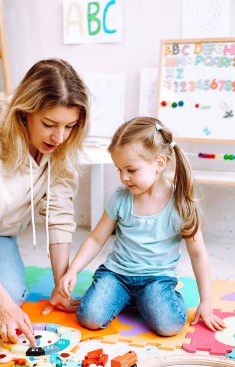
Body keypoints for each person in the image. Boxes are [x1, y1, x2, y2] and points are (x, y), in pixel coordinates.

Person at [61, 116, 225, 336]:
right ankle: (129, 298)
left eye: (131, 169)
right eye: (119, 169)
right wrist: (73, 270)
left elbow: (198, 254)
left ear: (159, 164)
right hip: (117, 275)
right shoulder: (121, 198)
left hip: (157, 279)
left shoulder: (181, 203)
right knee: (89, 317)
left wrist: (206, 301)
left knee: (170, 326)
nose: (123, 177)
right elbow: (96, 238)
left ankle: (156, 297)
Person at [0, 58, 89, 345]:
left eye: (69, 126)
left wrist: (60, 286)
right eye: (49, 124)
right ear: (24, 113)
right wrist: (4, 306)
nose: (59, 137)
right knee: (4, 303)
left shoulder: (61, 146)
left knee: (11, 295)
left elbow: (60, 214)